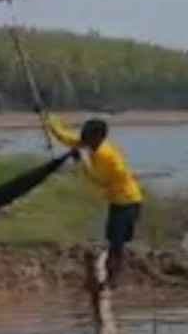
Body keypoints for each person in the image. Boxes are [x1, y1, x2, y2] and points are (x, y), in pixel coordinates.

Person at [45, 115, 143, 288]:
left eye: (86, 138)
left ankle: (112, 280)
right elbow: (67, 138)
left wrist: (82, 161)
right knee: (114, 241)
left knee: (116, 243)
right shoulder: (93, 144)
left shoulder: (107, 155)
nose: (83, 141)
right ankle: (112, 276)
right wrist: (50, 121)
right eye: (83, 137)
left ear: (98, 137)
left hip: (127, 202)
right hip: (118, 201)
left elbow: (99, 179)